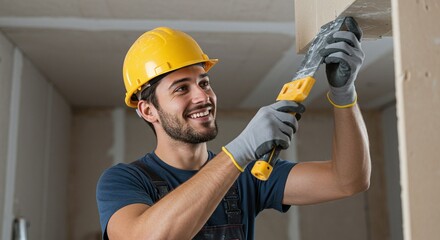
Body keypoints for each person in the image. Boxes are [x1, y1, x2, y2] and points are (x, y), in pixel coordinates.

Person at [96, 17, 371, 240]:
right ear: (148, 110)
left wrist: (344, 95)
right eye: (181, 88)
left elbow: (348, 180)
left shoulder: (248, 177)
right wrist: (240, 151)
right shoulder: (123, 181)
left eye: (204, 83)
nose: (202, 96)